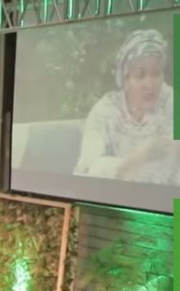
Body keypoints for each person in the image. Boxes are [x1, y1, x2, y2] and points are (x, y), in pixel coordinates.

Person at [74, 29, 177, 185]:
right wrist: (137, 157)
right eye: (140, 75)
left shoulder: (171, 101)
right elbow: (86, 170)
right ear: (124, 79)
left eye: (156, 73)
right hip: (114, 202)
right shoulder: (106, 111)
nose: (150, 85)